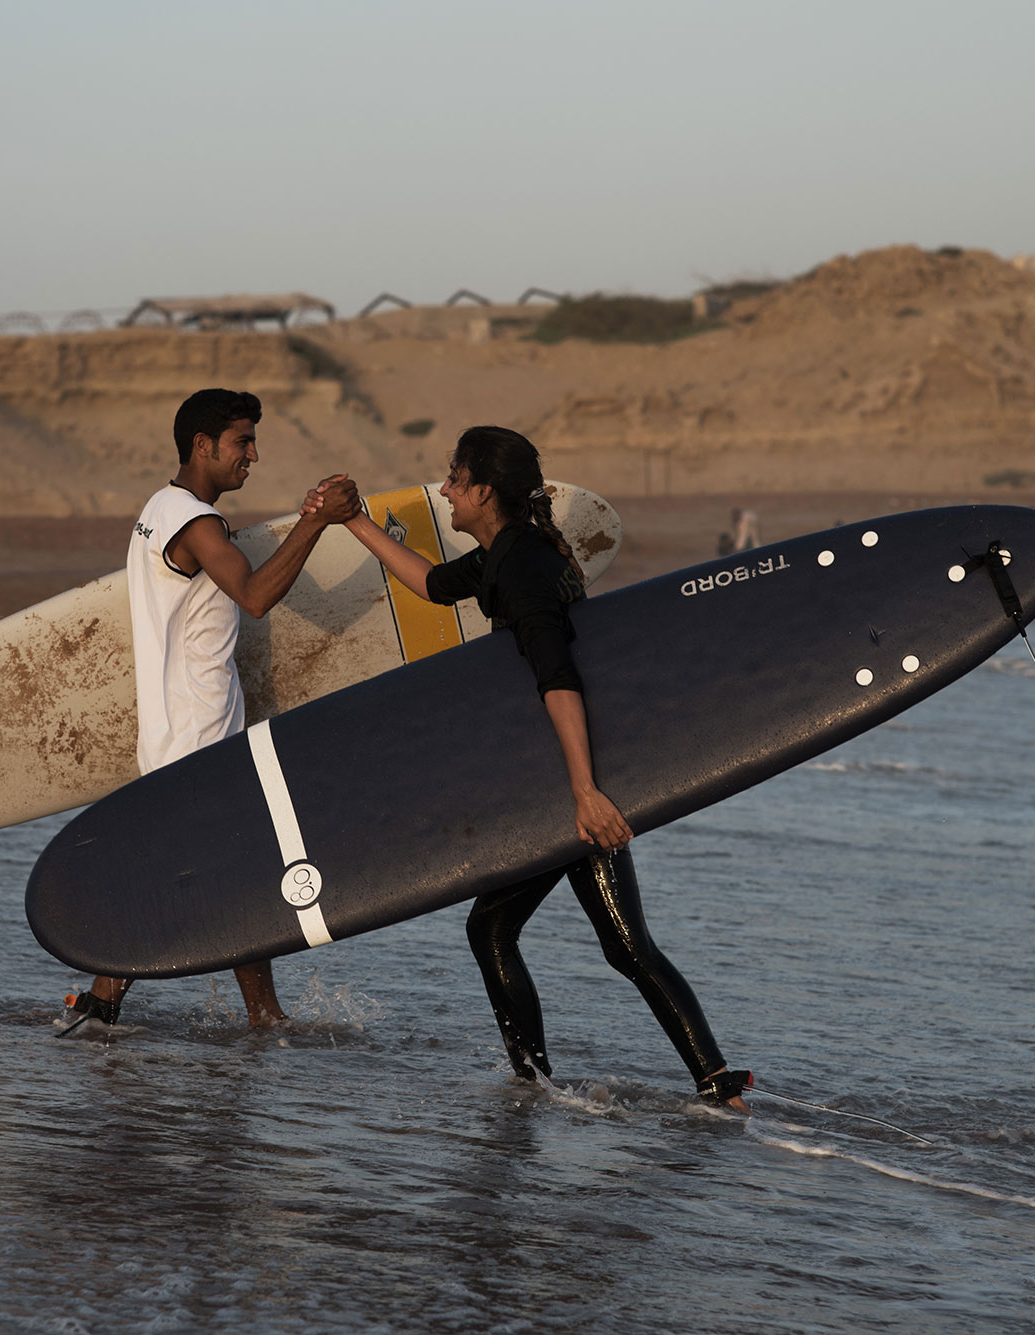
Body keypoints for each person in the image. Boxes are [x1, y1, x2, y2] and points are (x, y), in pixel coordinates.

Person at [341, 426, 749, 1109]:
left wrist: (585, 793)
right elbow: (436, 584)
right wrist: (353, 521)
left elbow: (558, 676)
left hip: (567, 779)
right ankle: (705, 1083)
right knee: (609, 942)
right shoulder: (512, 552)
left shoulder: (524, 569)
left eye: (454, 478)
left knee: (535, 933)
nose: (444, 489)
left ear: (484, 492)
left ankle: (544, 1083)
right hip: (561, 774)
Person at [61, 388, 362, 1032]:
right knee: (235, 877)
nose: (252, 455)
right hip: (195, 741)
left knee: (200, 877)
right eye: (242, 442)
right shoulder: (192, 522)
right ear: (203, 445)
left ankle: (103, 1008)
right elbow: (253, 596)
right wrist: (314, 520)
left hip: (186, 736)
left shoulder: (159, 509)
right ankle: (261, 1019)